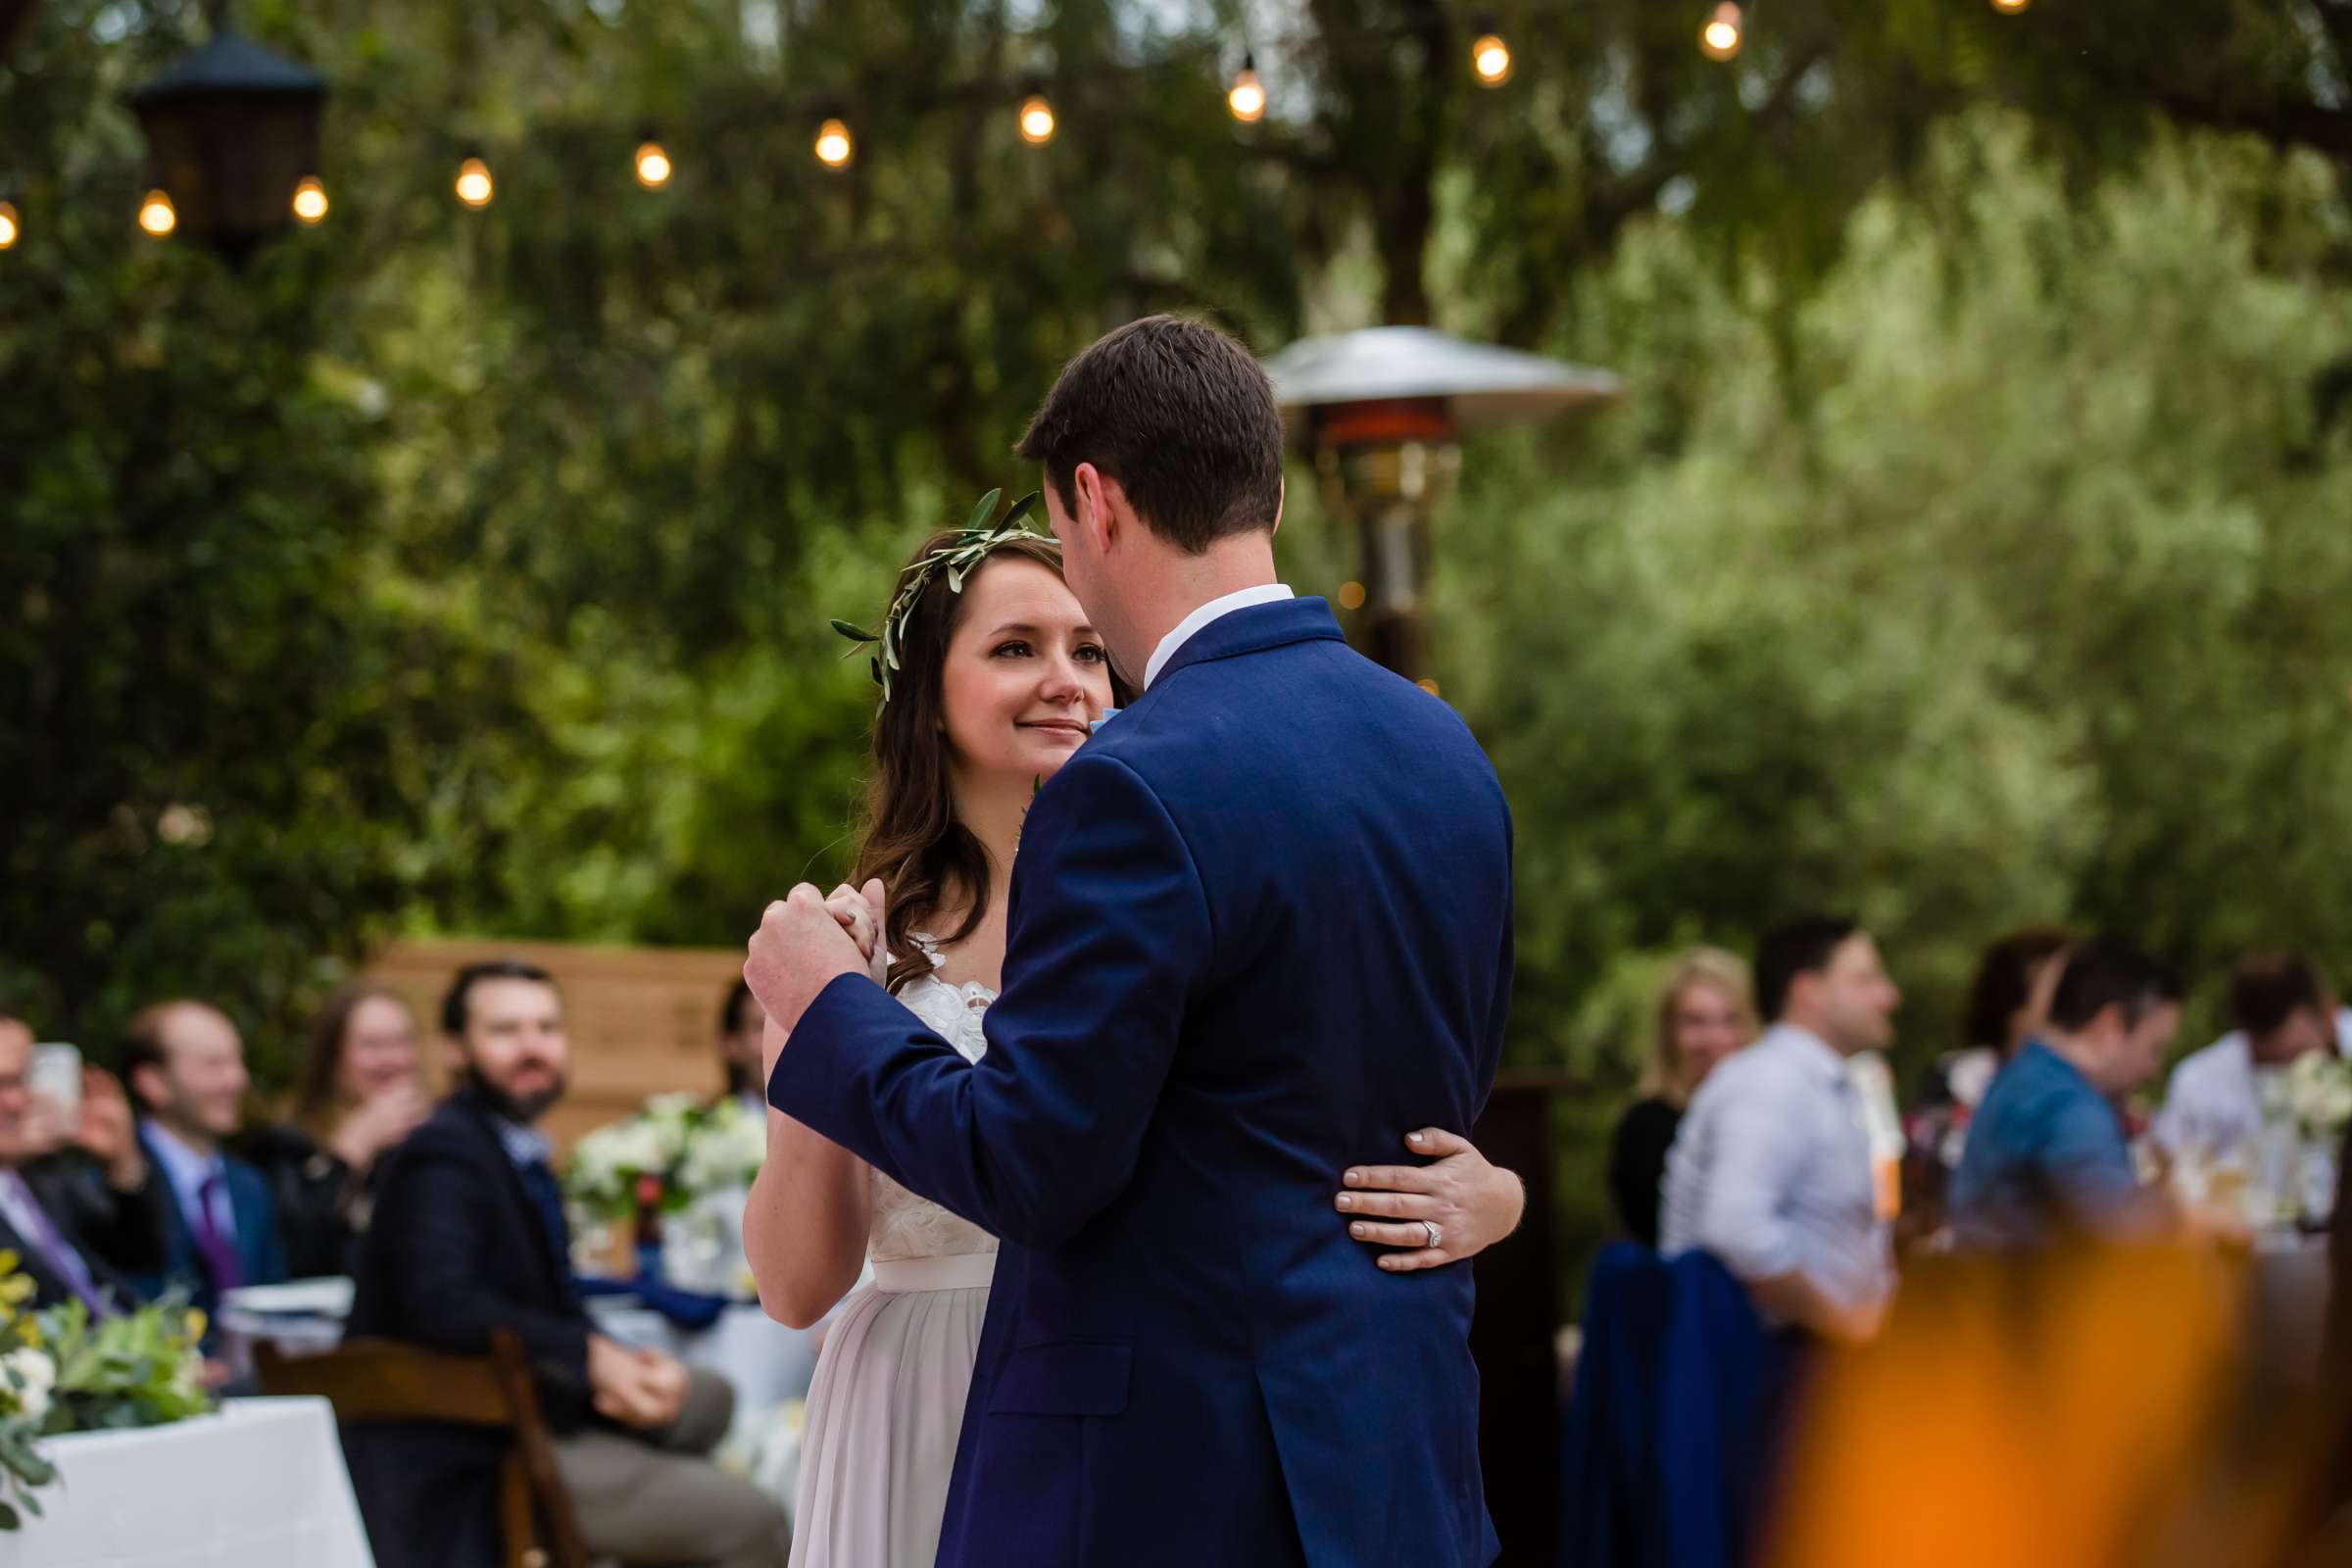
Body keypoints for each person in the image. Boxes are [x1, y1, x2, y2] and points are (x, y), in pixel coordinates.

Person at [746, 315, 1518, 1567]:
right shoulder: (1445, 754)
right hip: (1394, 1457)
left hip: (1174, 1478)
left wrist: (831, 1008)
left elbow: (1036, 1161)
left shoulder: (1134, 782)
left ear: (1094, 500)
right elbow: (1421, 1097)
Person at [346, 958, 789, 1568]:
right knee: (755, 1521)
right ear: (455, 1050)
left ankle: (663, 1491)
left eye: (547, 1029)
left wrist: (621, 1364)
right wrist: (589, 1358)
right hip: (478, 1451)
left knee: (709, 1399)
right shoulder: (440, 1156)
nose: (533, 1048)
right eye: (506, 1031)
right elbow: (443, 1304)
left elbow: (543, 1303)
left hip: (539, 1405)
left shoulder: (512, 1149)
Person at [1661, 915, 1902, 1343]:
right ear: (1809, 993)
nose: (1889, 995)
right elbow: (1738, 1229)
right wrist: (1844, 1327)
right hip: (1771, 1366)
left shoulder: (1824, 1084)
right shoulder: (1770, 1082)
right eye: (1866, 979)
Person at [1948, 935, 2188, 1250]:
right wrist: (2199, 1217)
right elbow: (2125, 1231)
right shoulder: (2065, 1104)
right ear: (2110, 1025)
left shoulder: (2027, 1075)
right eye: (2153, 1049)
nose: (2153, 1070)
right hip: (2027, 1296)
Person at [243, 981, 429, 1279]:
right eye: (372, 1045)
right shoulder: (287, 1144)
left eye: (402, 1041)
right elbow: (293, 1255)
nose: (393, 1059)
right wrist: (349, 1151)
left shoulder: (436, 1140)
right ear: (331, 1058)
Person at [1901, 926, 2072, 1241]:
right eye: (2061, 991)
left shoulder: (2097, 1098)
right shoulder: (1955, 1081)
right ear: (2013, 1006)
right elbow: (1923, 1189)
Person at [122, 1002, 287, 1326]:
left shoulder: (250, 1185)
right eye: (213, 1064)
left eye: (237, 1061)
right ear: (153, 1082)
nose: (237, 1079)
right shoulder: (117, 1187)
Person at [0, 1011, 165, 1310]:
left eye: (25, 1081)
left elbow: (138, 1256)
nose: (17, 1101)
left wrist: (122, 1161)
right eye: (3, 1084)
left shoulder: (41, 1175)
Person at [1605, 949, 1754, 1247]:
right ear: (1669, 1032)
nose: (1716, 1038)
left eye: (1730, 1020)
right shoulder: (1646, 1124)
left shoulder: (1771, 1116)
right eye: (1696, 1022)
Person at [2154, 949, 2348, 1165]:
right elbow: (2170, 1163)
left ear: (2329, 1013)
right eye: (2270, 1060)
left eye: (2299, 1052)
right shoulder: (2199, 1082)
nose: (2289, 1069)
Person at [717, 979, 765, 1117]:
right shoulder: (706, 1131)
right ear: (731, 1044)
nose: (777, 1045)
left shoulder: (823, 1131)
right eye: (761, 1027)